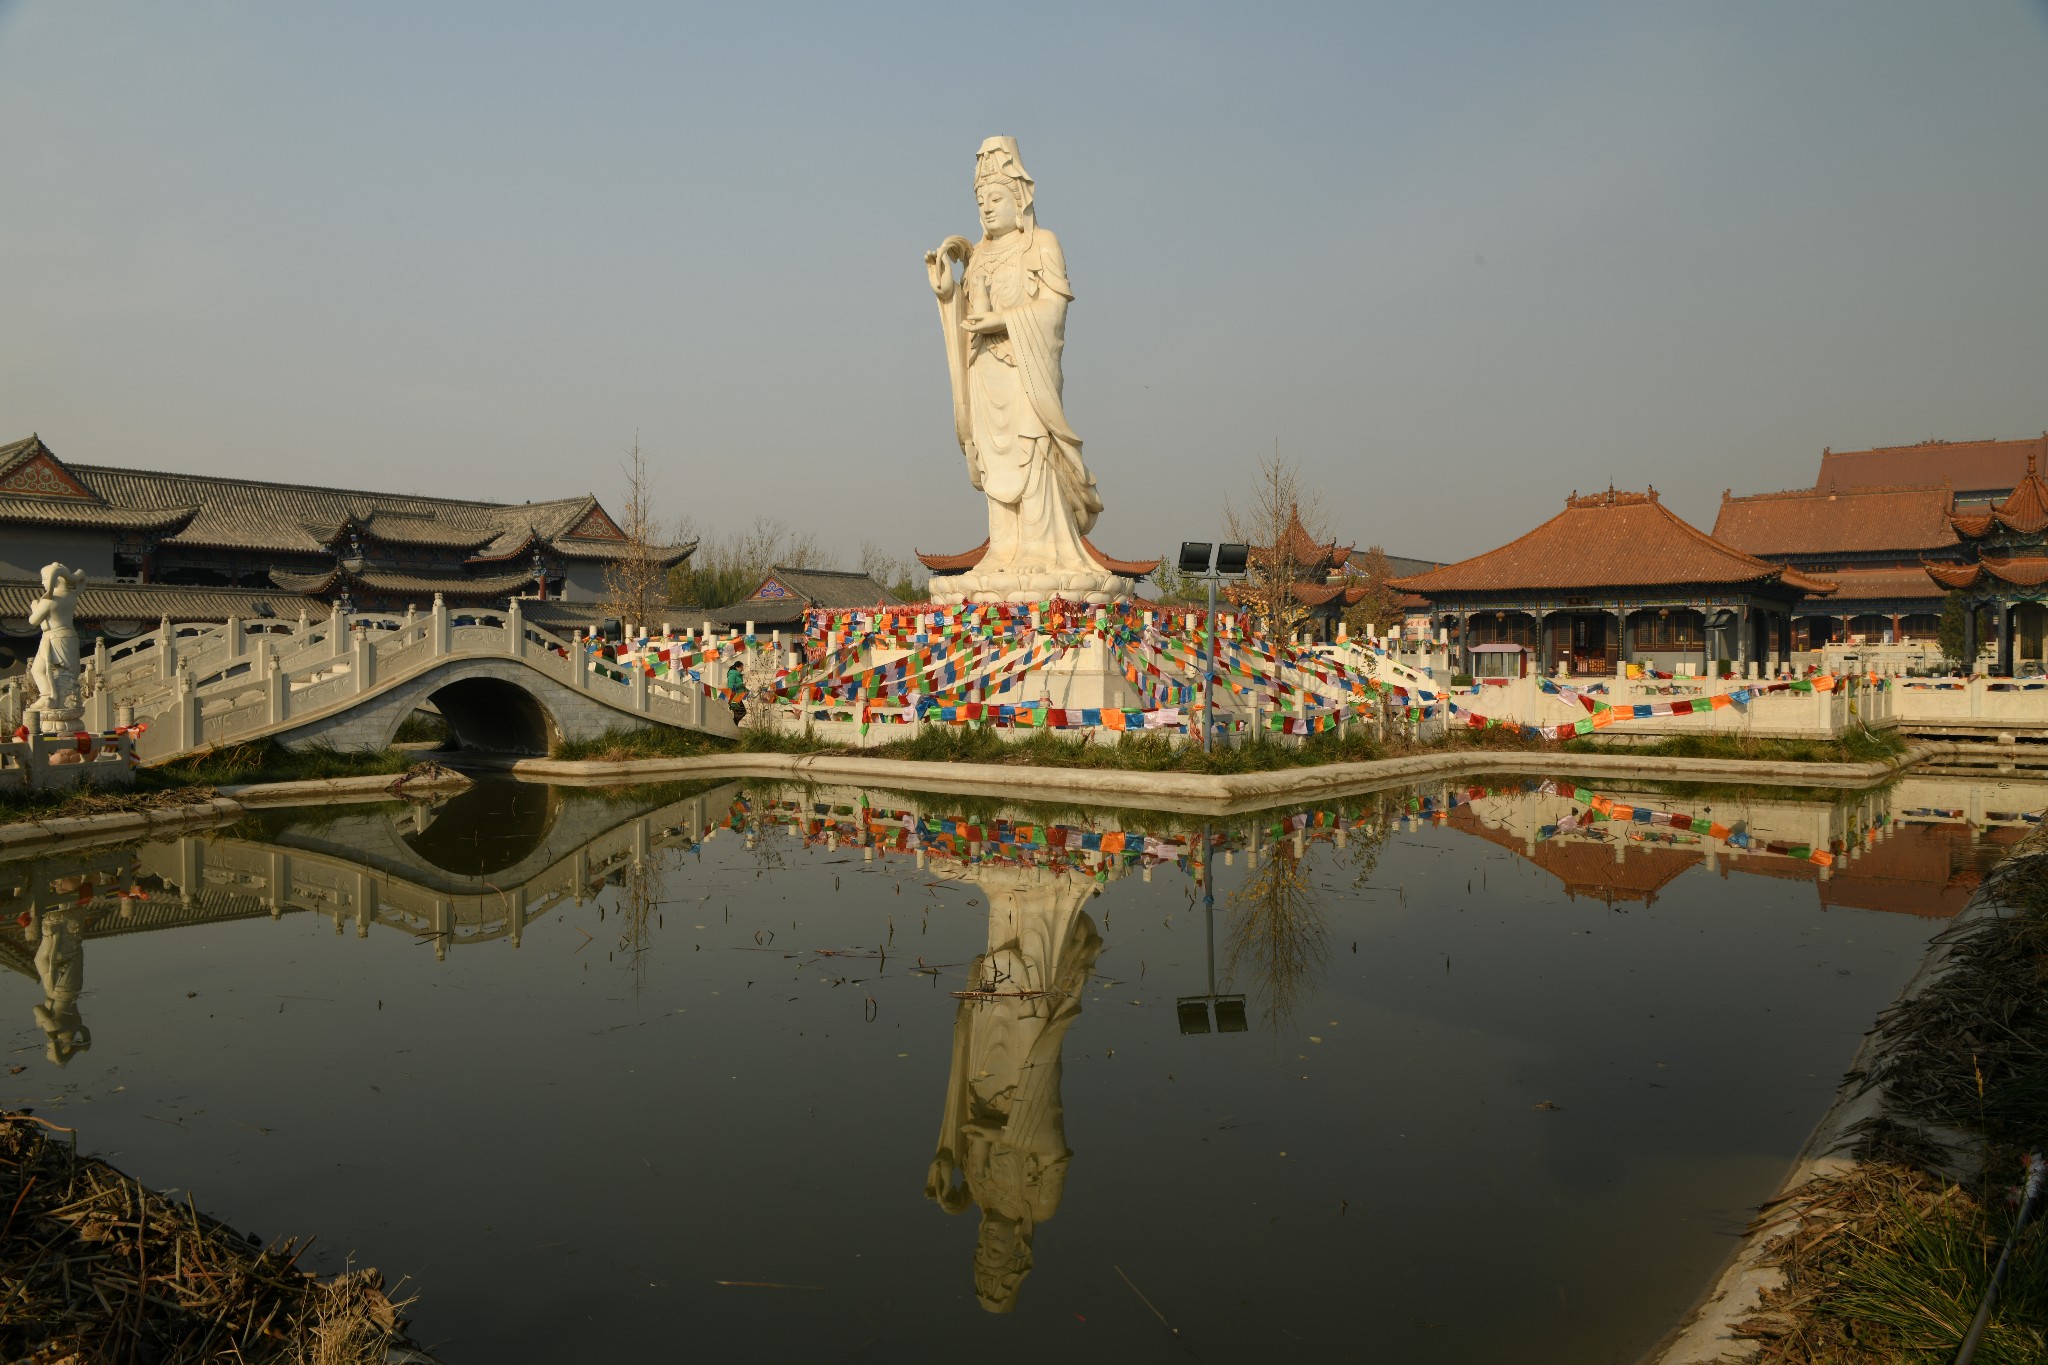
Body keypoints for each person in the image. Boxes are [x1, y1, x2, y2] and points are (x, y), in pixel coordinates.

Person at [726, 658, 747, 726]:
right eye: (741, 667)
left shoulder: (738, 675)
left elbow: (740, 686)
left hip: (739, 696)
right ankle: (733, 724)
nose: (742, 669)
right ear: (737, 667)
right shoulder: (732, 675)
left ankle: (734, 725)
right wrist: (741, 684)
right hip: (734, 696)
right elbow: (731, 687)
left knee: (738, 712)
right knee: (741, 712)